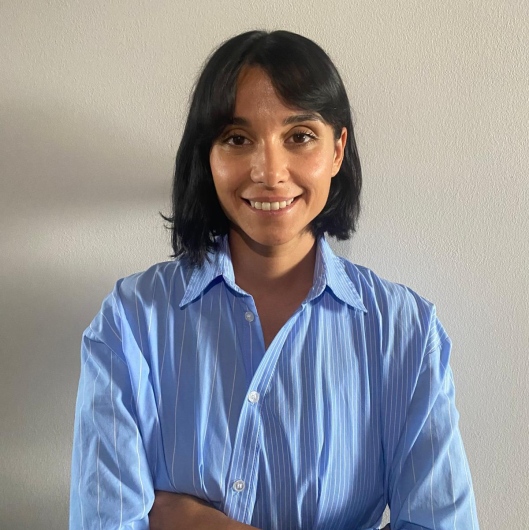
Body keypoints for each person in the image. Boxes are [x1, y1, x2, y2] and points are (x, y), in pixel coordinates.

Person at [70, 30, 479, 530]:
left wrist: (194, 521)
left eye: (299, 136)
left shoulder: (405, 332)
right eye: (237, 139)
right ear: (208, 156)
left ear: (337, 149)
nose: (269, 171)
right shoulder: (132, 321)